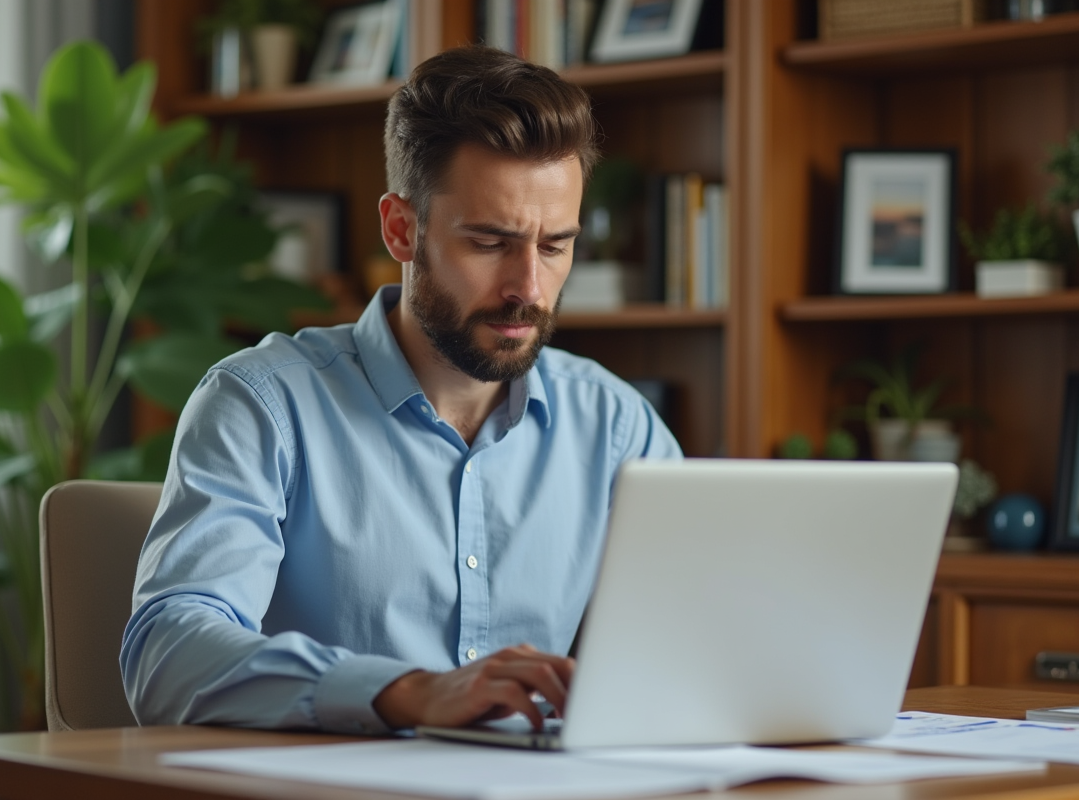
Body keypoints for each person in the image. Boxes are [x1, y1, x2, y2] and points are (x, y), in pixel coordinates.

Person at [120, 45, 682, 735]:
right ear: (401, 228)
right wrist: (409, 693)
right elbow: (166, 654)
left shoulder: (619, 426)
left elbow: (699, 645)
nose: (528, 289)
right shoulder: (263, 406)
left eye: (555, 245)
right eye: (489, 242)